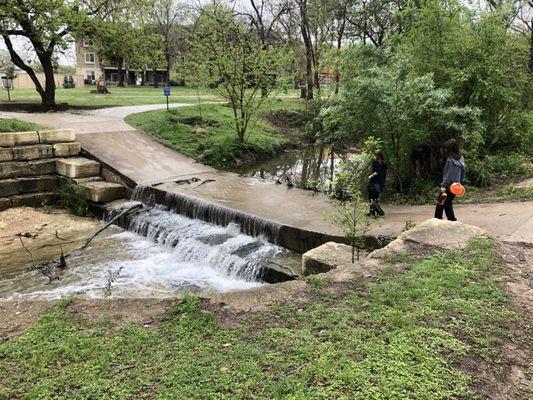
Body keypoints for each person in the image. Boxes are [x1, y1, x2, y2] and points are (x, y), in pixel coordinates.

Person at [435, 139, 465, 221]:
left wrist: (443, 186)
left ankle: (437, 219)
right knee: (447, 202)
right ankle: (452, 219)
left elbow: (447, 176)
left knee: (440, 202)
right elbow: (463, 172)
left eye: (447, 148)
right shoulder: (461, 158)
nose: (445, 150)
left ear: (450, 149)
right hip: (456, 186)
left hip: (449, 186)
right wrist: (461, 183)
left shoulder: (450, 161)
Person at [367, 150, 387, 217]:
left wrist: (370, 176)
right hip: (381, 183)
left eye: (374, 155)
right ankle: (372, 212)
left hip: (374, 182)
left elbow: (377, 172)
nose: (373, 157)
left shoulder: (376, 163)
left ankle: (380, 212)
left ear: (377, 156)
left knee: (371, 198)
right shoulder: (384, 163)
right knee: (375, 198)